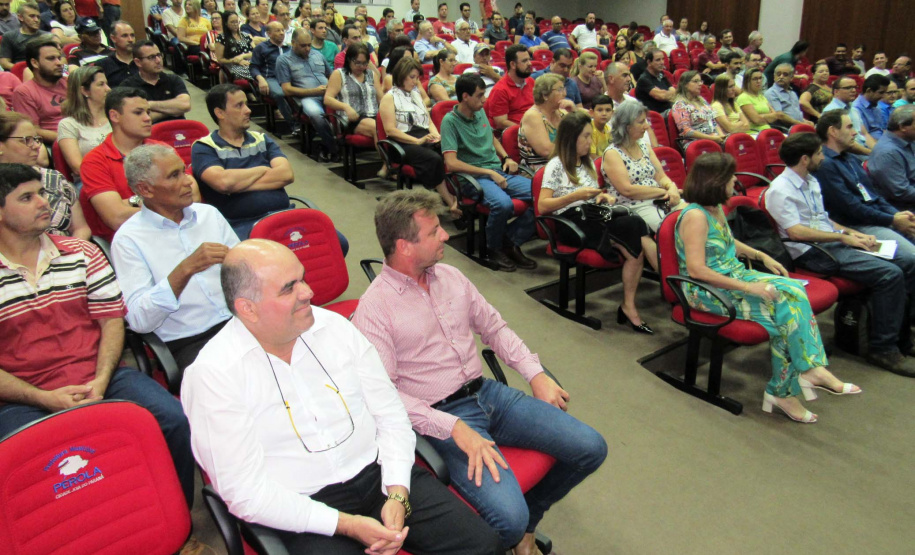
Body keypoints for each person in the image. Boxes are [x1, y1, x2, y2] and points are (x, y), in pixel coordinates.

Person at [182, 240, 503, 555]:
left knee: (484, 546)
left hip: (378, 475)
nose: (308, 292)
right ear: (247, 308)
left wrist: (398, 493)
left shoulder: (334, 328)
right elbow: (245, 492)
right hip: (299, 505)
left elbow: (390, 415)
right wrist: (346, 524)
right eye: (288, 288)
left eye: (303, 278)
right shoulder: (214, 375)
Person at [351, 188, 606, 554]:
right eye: (434, 230)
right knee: (507, 520)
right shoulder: (375, 310)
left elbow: (495, 328)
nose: (445, 235)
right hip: (439, 416)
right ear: (405, 246)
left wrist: (535, 373)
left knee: (590, 447)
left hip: (487, 393)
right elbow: (384, 396)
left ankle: (529, 526)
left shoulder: (451, 275)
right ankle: (512, 534)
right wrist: (453, 427)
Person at [0, 163, 197, 537]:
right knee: (22, 467)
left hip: (100, 373)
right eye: (27, 198)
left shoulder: (82, 253)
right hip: (22, 395)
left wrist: (101, 381)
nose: (44, 203)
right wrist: (42, 397)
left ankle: (176, 526)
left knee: (172, 419)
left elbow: (110, 322)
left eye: (41, 192)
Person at [676, 151, 860, 422]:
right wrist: (750, 288)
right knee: (783, 312)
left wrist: (761, 255)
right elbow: (696, 269)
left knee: (794, 291)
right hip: (705, 291)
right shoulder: (695, 216)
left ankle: (807, 372)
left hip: (733, 276)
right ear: (716, 180)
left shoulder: (713, 208)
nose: (735, 180)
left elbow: (726, 242)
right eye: (730, 176)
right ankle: (786, 389)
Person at [767, 129, 915, 376]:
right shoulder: (780, 190)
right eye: (818, 153)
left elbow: (824, 220)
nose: (823, 157)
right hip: (811, 252)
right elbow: (797, 233)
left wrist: (850, 234)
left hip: (831, 241)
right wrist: (842, 238)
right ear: (805, 159)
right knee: (889, 274)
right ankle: (882, 348)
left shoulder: (811, 180)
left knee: (905, 262)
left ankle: (900, 337)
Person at [111, 144, 238, 373]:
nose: (188, 181)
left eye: (184, 171)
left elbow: (246, 272)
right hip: (191, 341)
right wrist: (185, 269)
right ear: (146, 189)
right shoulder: (128, 240)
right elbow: (139, 320)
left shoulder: (209, 214)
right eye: (174, 176)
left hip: (241, 321)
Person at [540, 109, 652, 330]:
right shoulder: (556, 165)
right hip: (571, 223)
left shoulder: (585, 163)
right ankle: (662, 277)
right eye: (586, 136)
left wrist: (600, 196)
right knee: (632, 233)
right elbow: (542, 205)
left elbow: (590, 193)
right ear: (571, 138)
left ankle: (628, 305)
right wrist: (576, 196)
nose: (590, 142)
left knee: (635, 225)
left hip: (591, 215)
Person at [440, 73, 535, 271]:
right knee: (503, 204)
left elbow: (491, 138)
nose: (485, 100)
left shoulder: (480, 111)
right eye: (480, 95)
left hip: (495, 171)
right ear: (465, 96)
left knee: (541, 193)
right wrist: (489, 172)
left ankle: (509, 240)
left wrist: (506, 157)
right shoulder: (450, 121)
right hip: (472, 178)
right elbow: (451, 163)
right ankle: (494, 248)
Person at [79, 87, 195, 242]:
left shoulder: (162, 149)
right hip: (131, 242)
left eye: (148, 112)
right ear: (114, 116)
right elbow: (116, 217)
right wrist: (169, 203)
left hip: (179, 231)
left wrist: (132, 201)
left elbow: (193, 194)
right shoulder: (94, 161)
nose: (148, 118)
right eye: (138, 113)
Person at [812, 109, 915, 264]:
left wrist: (898, 216)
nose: (855, 133)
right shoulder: (825, 164)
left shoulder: (850, 158)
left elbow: (874, 196)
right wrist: (892, 220)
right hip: (856, 225)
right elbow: (851, 208)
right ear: (833, 131)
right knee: (911, 257)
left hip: (875, 217)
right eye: (849, 127)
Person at [191, 84, 293, 238]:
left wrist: (236, 185)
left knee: (338, 242)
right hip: (240, 224)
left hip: (283, 215)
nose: (248, 110)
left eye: (246, 103)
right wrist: (263, 169)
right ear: (220, 113)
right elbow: (223, 183)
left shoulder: (262, 139)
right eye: (239, 105)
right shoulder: (204, 147)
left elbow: (286, 175)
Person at [602, 101, 684, 269]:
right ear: (625, 125)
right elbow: (627, 189)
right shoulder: (612, 153)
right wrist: (661, 192)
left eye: (646, 121)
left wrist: (672, 188)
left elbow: (661, 175)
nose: (646, 126)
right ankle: (677, 278)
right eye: (641, 122)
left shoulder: (644, 146)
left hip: (660, 197)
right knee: (672, 228)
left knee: (693, 218)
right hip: (634, 205)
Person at [380, 56, 458, 218]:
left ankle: (455, 197)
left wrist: (436, 136)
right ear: (401, 76)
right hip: (401, 142)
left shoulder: (415, 94)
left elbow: (427, 120)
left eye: (417, 78)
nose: (416, 82)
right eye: (412, 77)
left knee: (450, 151)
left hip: (422, 137)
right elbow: (390, 130)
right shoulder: (390, 97)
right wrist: (417, 141)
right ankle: (450, 202)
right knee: (434, 159)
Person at [0, 111, 89, 238]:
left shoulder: (54, 178)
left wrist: (71, 253)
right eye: (27, 140)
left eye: (36, 140)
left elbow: (81, 228)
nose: (37, 146)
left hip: (67, 251)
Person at [276, 27, 337, 160]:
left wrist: (333, 86)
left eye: (309, 45)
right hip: (306, 98)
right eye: (303, 46)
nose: (308, 49)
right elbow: (286, 89)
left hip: (328, 93)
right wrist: (314, 91)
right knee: (317, 115)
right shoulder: (283, 60)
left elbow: (332, 75)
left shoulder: (317, 55)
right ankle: (334, 148)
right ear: (293, 43)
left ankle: (331, 145)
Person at [58, 65, 111, 184]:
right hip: (90, 182)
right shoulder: (68, 124)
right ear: (84, 91)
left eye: (107, 84)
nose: (108, 89)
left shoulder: (115, 117)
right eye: (101, 84)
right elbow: (78, 167)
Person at [11, 35, 66, 143]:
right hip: (53, 144)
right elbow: (33, 130)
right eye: (51, 59)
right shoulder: (24, 92)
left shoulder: (69, 83)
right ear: (35, 63)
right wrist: (70, 139)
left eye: (59, 58)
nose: (59, 63)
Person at [121, 40, 191, 123]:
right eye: (151, 57)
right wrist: (173, 110)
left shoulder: (173, 79)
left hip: (178, 131)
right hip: (149, 133)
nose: (158, 60)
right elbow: (137, 120)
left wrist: (149, 105)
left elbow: (185, 105)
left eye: (159, 55)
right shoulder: (128, 86)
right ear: (138, 62)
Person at [325, 43, 381, 142]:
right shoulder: (339, 74)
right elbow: (327, 99)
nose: (361, 66)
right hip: (351, 119)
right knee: (378, 128)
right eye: (358, 63)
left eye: (365, 63)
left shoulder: (371, 75)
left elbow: (381, 99)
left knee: (392, 127)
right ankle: (388, 157)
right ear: (349, 60)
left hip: (373, 115)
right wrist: (345, 107)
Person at [518, 73, 565, 176]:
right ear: (545, 95)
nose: (564, 94)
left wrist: (574, 111)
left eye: (564, 88)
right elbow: (546, 151)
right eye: (559, 90)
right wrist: (574, 149)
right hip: (539, 172)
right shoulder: (533, 116)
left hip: (562, 166)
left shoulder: (560, 113)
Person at [870, 106, 915, 210]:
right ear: (903, 126)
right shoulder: (887, 153)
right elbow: (901, 192)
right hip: (903, 208)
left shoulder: (909, 140)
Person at [250, 21, 293, 130]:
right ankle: (294, 125)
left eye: (282, 30)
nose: (281, 33)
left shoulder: (289, 48)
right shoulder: (261, 48)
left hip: (288, 78)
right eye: (277, 30)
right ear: (269, 33)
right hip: (270, 77)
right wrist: (260, 79)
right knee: (279, 94)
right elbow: (253, 67)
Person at [669, 70, 725, 150]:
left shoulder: (702, 101)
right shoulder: (680, 105)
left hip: (714, 138)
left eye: (700, 81)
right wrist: (712, 138)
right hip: (695, 143)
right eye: (695, 81)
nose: (700, 84)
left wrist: (721, 136)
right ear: (685, 84)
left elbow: (713, 122)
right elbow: (686, 131)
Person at [485, 44, 533, 130]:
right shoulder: (500, 90)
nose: (529, 63)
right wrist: (526, 130)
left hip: (534, 126)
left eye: (529, 59)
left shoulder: (531, 81)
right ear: (513, 65)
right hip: (515, 133)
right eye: (525, 61)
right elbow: (501, 123)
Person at [736, 67, 788, 136]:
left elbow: (775, 116)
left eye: (760, 78)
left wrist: (762, 117)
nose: (759, 81)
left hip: (767, 130)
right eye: (755, 79)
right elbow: (756, 120)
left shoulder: (762, 96)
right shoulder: (743, 97)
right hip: (754, 133)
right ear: (747, 81)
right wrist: (768, 117)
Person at [0, 2, 48, 69]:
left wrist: (65, 74)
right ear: (21, 17)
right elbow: (4, 63)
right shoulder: (9, 36)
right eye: (32, 16)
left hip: (46, 72)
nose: (36, 20)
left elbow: (63, 60)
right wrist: (24, 70)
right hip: (19, 74)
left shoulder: (48, 37)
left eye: (38, 17)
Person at [763, 63, 808, 129]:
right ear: (774, 77)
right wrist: (801, 124)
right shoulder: (771, 93)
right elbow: (779, 115)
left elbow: (796, 113)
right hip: (784, 129)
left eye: (785, 74)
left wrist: (806, 122)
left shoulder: (793, 93)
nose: (781, 77)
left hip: (797, 126)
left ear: (791, 78)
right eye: (778, 74)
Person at [94, 20, 137, 87]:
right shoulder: (103, 65)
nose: (130, 40)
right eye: (124, 36)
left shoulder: (143, 60)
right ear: (113, 38)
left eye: (132, 35)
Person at [851, 74, 889, 147]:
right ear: (869, 91)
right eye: (881, 92)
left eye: (885, 92)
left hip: (883, 142)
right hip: (873, 147)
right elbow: (864, 137)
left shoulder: (877, 104)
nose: (883, 96)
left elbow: (883, 129)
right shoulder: (856, 109)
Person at [216, 11, 254, 81]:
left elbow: (255, 52)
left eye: (237, 21)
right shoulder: (222, 38)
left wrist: (242, 56)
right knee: (253, 73)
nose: (235, 24)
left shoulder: (245, 35)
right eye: (232, 22)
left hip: (250, 62)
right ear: (226, 23)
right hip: (233, 65)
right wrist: (236, 61)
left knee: (262, 70)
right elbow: (220, 59)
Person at [635, 48, 675, 114]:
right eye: (658, 60)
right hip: (655, 116)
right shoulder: (644, 79)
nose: (662, 62)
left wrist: (665, 93)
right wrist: (666, 93)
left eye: (663, 59)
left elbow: (674, 91)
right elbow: (661, 96)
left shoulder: (661, 74)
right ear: (649, 62)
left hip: (668, 111)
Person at [589, 93, 613, 159]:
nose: (604, 114)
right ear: (591, 112)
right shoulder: (590, 130)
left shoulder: (609, 129)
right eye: (600, 110)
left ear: (612, 113)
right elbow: (592, 157)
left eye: (608, 110)